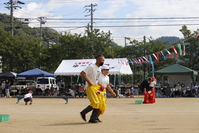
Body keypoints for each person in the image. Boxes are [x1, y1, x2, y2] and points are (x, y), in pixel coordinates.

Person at [80, 54, 105, 123]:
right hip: (90, 87)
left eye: (103, 60)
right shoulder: (91, 66)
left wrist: (101, 86)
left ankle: (94, 118)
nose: (103, 61)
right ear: (97, 60)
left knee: (100, 102)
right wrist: (89, 82)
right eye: (102, 60)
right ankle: (83, 112)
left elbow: (96, 79)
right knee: (95, 102)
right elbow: (82, 73)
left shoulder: (99, 69)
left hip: (96, 87)